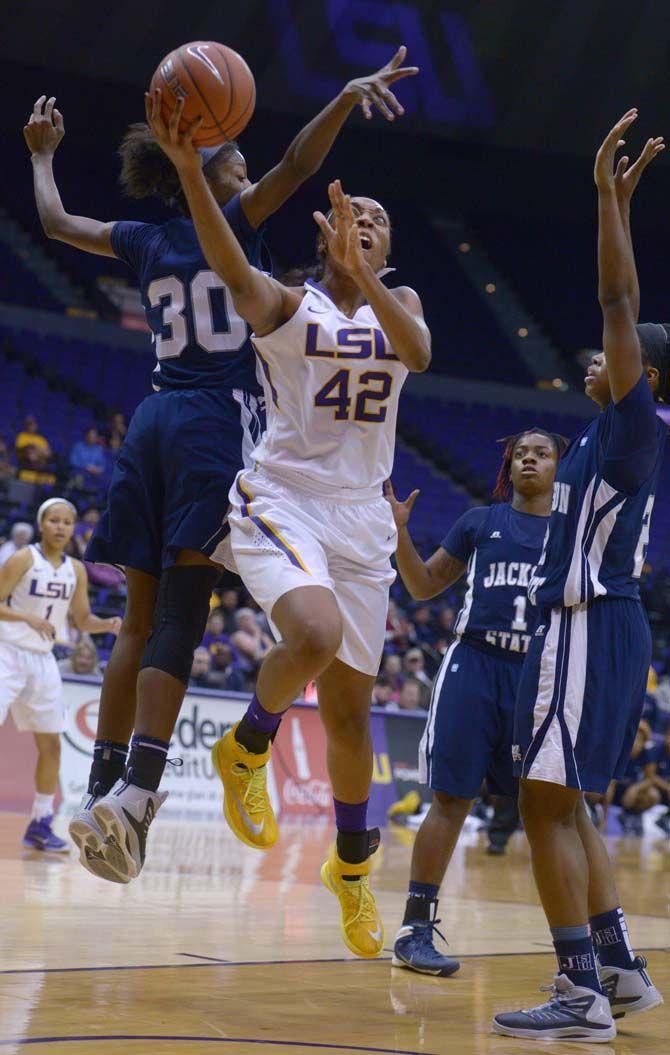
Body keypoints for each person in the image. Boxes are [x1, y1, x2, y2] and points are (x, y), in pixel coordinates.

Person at [24, 48, 418, 883]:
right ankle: (138, 793)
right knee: (180, 616)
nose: (245, 166)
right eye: (232, 157)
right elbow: (300, 162)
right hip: (214, 424)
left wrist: (42, 156)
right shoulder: (230, 219)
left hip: (151, 422)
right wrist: (344, 97)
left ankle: (102, 787)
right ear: (206, 171)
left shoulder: (140, 238)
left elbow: (57, 225)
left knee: (135, 622)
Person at [150, 97, 430, 958]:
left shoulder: (400, 302)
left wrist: (371, 274)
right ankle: (248, 745)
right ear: (326, 229)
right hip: (283, 498)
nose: (370, 223)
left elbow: (416, 355)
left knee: (351, 717)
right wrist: (195, 173)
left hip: (362, 522)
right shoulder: (288, 305)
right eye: (357, 215)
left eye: (381, 220)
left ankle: (350, 866)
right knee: (309, 632)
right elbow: (230, 267)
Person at [493, 111, 666, 1042]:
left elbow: (618, 301)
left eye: (622, 360)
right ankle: (621, 970)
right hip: (607, 624)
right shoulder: (609, 434)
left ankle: (576, 991)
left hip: (586, 622)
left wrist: (607, 199)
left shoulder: (634, 424)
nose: (598, 359)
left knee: (541, 806)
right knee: (570, 805)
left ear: (649, 377)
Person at [386, 428, 563, 976]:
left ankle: (578, 949)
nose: (529, 460)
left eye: (542, 454)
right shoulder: (480, 523)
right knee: (451, 800)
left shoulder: (570, 535)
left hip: (536, 675)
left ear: (560, 468)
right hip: (474, 667)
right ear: (508, 468)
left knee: (549, 814)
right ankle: (415, 930)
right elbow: (421, 587)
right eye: (521, 454)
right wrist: (399, 534)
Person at [0, 499, 120, 853]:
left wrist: (109, 624)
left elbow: (82, 620)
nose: (61, 527)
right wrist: (28, 619)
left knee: (51, 744)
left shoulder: (76, 570)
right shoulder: (23, 558)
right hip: (6, 652)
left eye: (67, 522)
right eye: (54, 520)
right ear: (42, 524)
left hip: (43, 659)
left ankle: (40, 823)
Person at [606, 719, 658, 835]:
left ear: (644, 742)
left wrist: (636, 788)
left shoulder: (647, 755)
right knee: (598, 791)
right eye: (634, 738)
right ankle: (597, 816)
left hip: (630, 794)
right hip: (612, 790)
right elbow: (611, 783)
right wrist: (604, 821)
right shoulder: (618, 750)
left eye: (640, 739)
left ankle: (631, 816)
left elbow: (650, 779)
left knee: (653, 795)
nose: (636, 742)